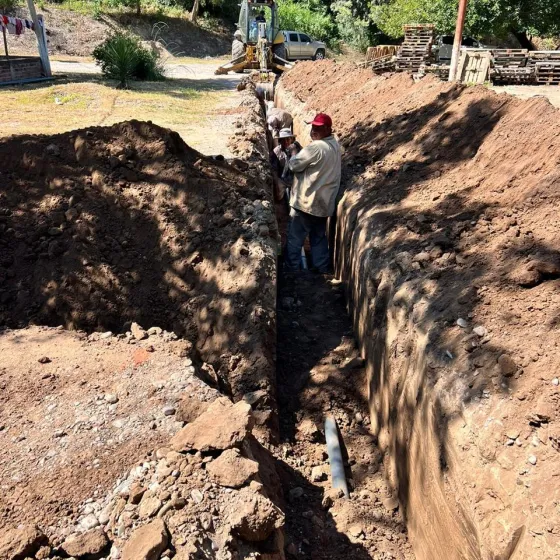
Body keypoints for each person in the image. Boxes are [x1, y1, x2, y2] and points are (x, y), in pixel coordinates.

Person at [285, 113, 341, 274]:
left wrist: (295, 152)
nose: (313, 130)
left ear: (328, 129)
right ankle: (322, 269)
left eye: (318, 127)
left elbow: (293, 165)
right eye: (313, 126)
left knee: (295, 239)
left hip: (306, 203)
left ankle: (292, 272)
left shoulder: (316, 147)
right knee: (319, 238)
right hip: (324, 205)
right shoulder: (335, 146)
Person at [270, 128, 301, 202]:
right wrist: (276, 183)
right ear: (280, 141)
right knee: (278, 198)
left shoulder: (297, 149)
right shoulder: (276, 152)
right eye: (284, 140)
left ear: (291, 139)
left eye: (288, 139)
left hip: (295, 177)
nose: (286, 142)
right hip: (282, 179)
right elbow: (274, 170)